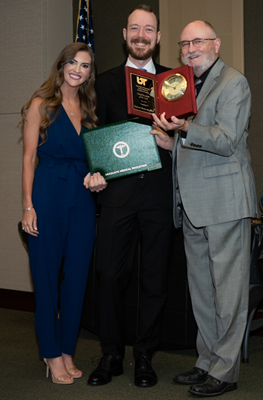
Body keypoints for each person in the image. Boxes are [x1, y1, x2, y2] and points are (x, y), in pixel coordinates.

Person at [151, 20, 258, 397]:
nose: (189, 49)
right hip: (194, 204)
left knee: (228, 292)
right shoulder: (186, 85)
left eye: (197, 41)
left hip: (225, 202)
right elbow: (197, 143)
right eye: (183, 44)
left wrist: (183, 129)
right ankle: (207, 361)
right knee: (202, 291)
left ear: (216, 44)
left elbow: (227, 140)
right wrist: (172, 143)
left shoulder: (234, 82)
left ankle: (225, 372)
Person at [83, 5, 173, 389]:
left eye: (148, 29)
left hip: (158, 196)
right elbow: (92, 136)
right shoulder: (102, 83)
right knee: (108, 275)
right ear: (124, 34)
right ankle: (111, 354)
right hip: (116, 197)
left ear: (157, 37)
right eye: (134, 28)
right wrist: (94, 172)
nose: (141, 35)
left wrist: (173, 139)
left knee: (154, 278)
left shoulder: (174, 81)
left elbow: (189, 137)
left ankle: (144, 357)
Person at [20, 42, 106, 385]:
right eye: (73, 62)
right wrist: (28, 206)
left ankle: (67, 349)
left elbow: (95, 161)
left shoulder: (89, 109)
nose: (78, 69)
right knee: (45, 278)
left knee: (77, 278)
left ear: (89, 74)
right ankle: (51, 354)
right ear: (61, 65)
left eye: (85, 65)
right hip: (47, 195)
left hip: (82, 198)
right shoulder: (40, 105)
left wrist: (98, 178)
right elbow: (28, 158)